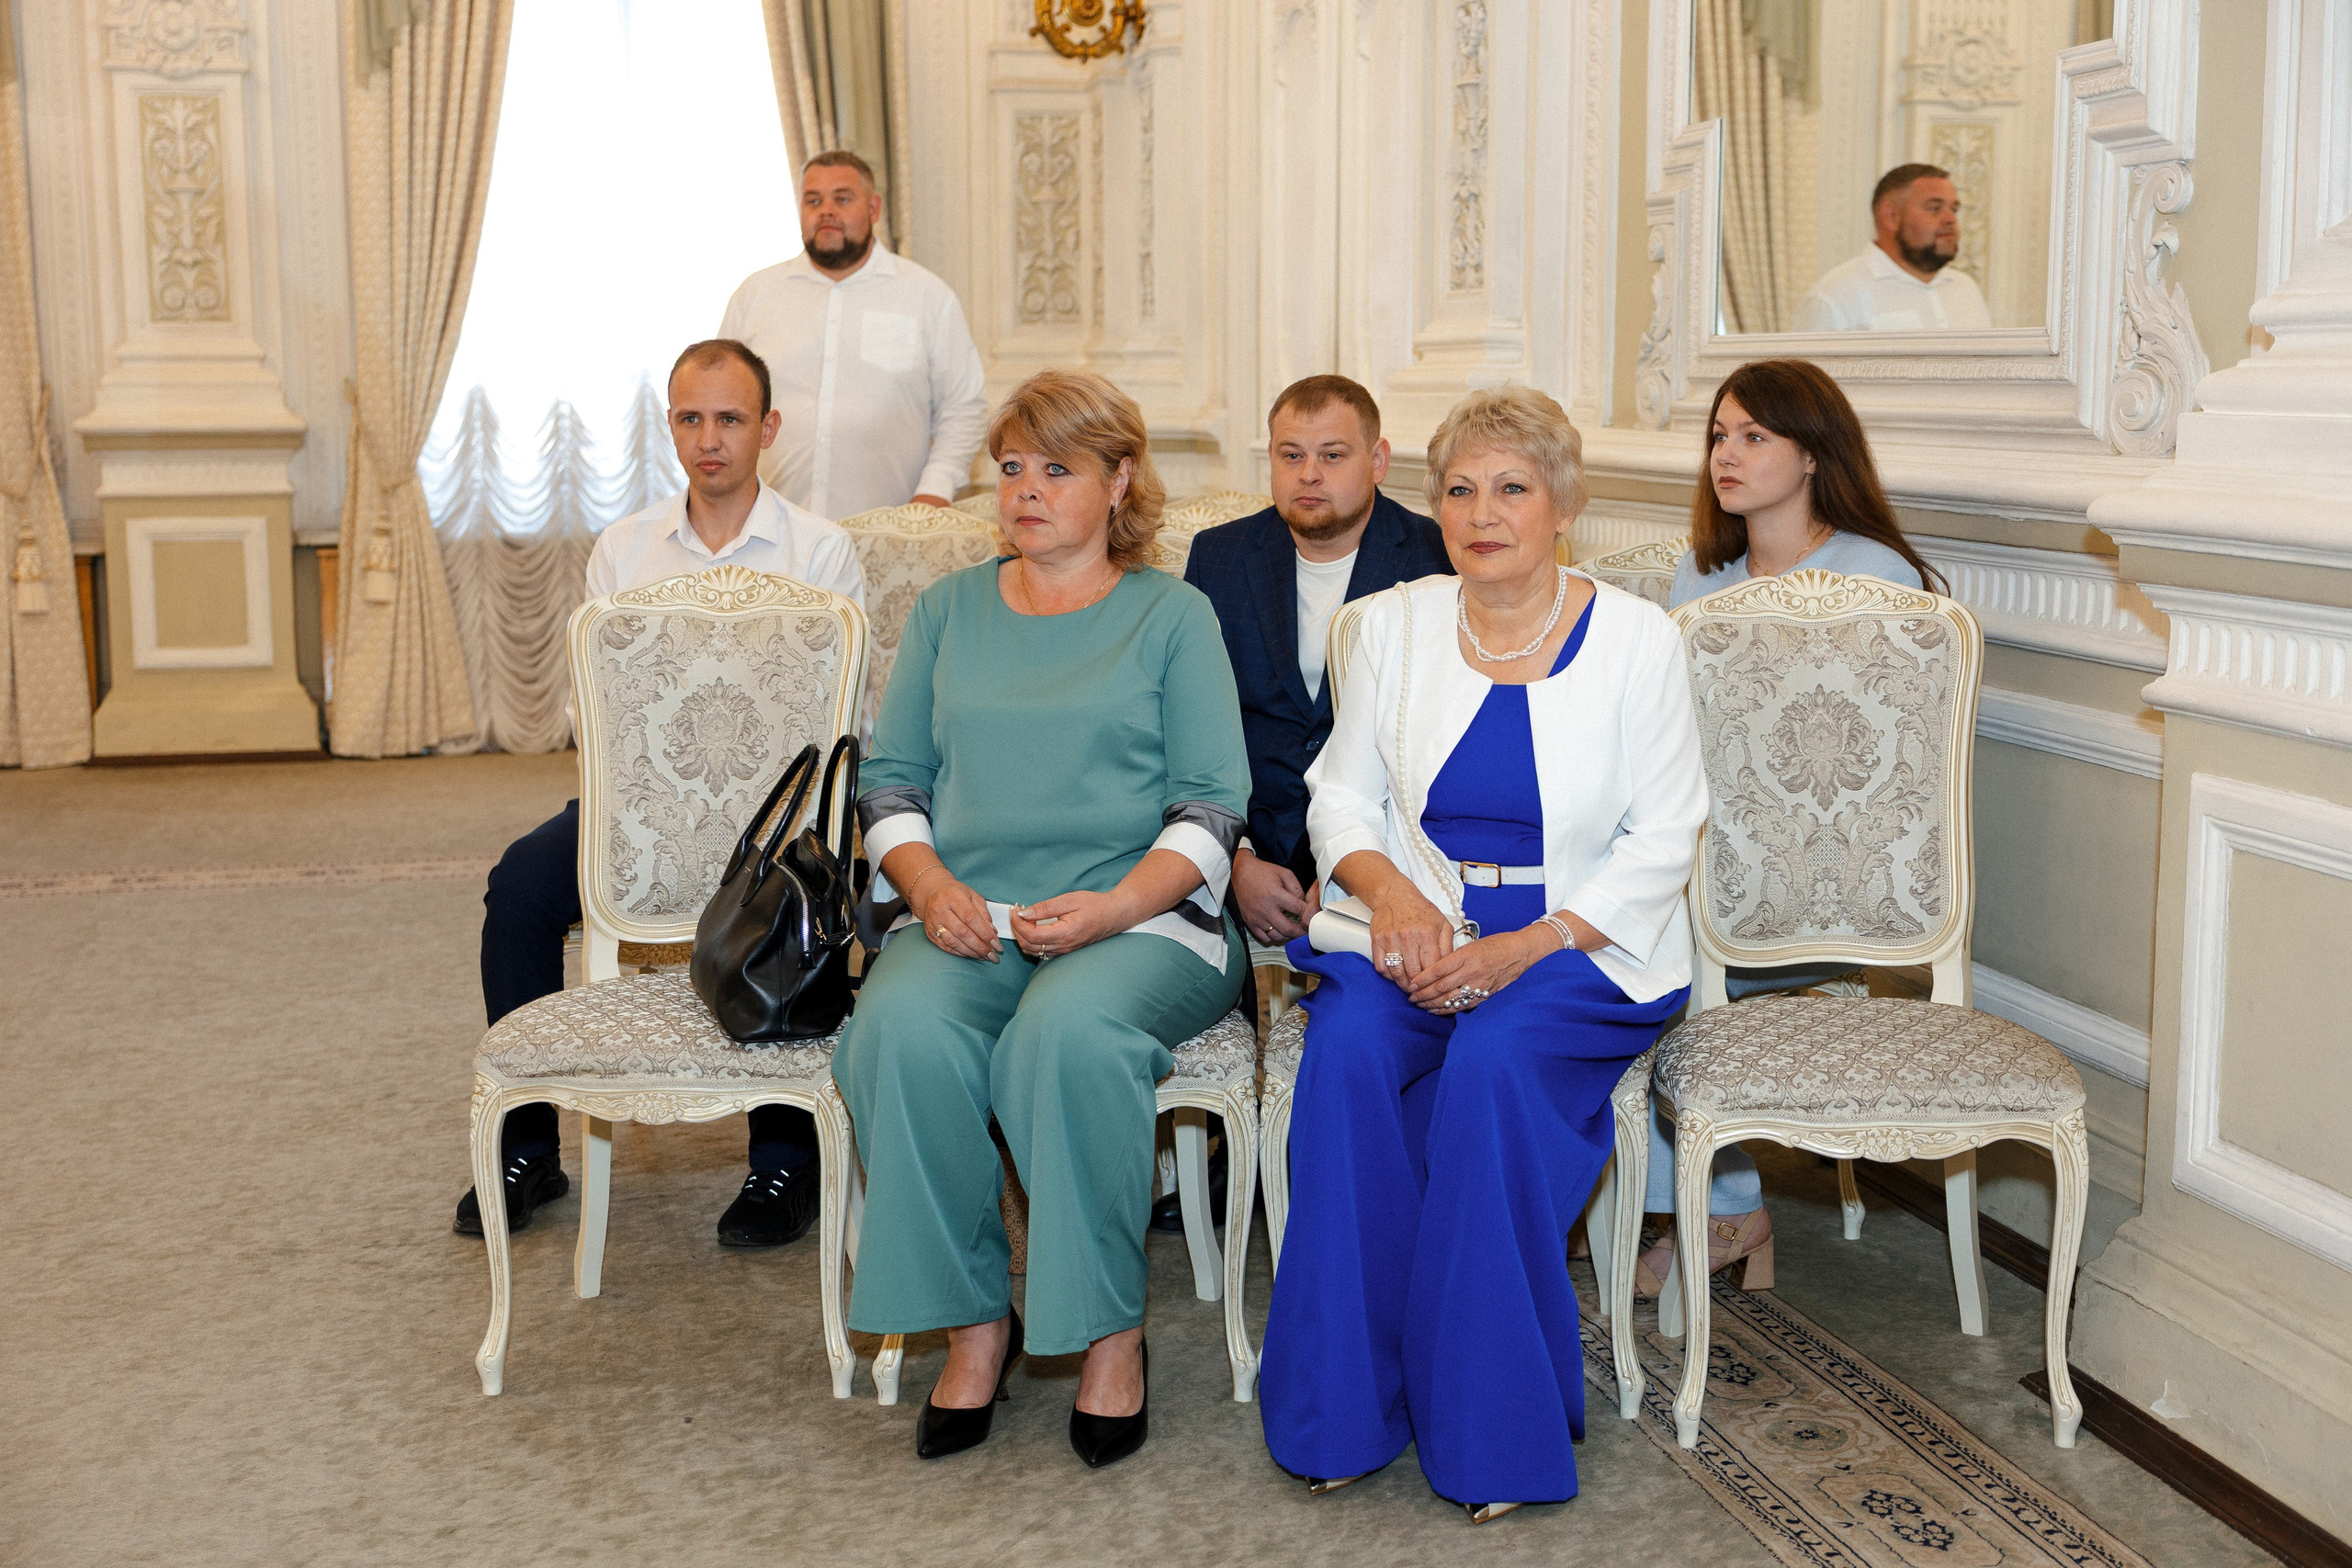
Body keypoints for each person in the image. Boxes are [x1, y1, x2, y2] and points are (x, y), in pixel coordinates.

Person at [1258, 386, 1707, 1520]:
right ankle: (1341, 1413)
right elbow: (1339, 800)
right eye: (1458, 488)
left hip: (1581, 943)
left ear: (1564, 504)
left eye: (1511, 486)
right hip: (1410, 931)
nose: (1482, 510)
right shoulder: (1398, 625)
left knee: (1495, 1067)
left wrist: (1527, 946)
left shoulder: (1638, 640)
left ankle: (1488, 1430)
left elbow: (1665, 836)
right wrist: (1398, 904)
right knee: (1351, 1046)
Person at [831, 370, 1251, 1469]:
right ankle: (977, 1325)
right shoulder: (947, 611)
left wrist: (1115, 903)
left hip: (1143, 920)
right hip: (970, 916)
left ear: (1119, 483)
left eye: (1055, 469)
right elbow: (891, 784)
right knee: (896, 1035)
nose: (1025, 490)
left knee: (1063, 1043)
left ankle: (1109, 1333)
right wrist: (926, 889)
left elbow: (1212, 805)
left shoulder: (1174, 616)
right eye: (1012, 468)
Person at [454, 339, 867, 1247]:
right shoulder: (624, 548)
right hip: (640, 809)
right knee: (518, 890)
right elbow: (592, 710)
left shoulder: (821, 551)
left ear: (769, 429)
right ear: (669, 425)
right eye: (689, 418)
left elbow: (834, 716)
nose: (708, 438)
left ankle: (785, 1167)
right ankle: (529, 1148)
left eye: (728, 419)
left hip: (778, 825)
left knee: (810, 903)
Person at [1646, 355, 1944, 1296]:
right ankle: (1663, 1195)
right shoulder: (1702, 571)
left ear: (1813, 454)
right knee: (1609, 945)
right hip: (1702, 867)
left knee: (1645, 967)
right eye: (1717, 437)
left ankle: (1724, 1208)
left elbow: (1892, 773)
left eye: (1753, 436)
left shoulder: (1875, 575)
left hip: (1820, 893)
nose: (1725, 455)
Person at [1168, 375, 1451, 1232]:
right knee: (1179, 912)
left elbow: (1434, 738)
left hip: (1383, 836)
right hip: (1248, 824)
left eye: (1333, 455)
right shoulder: (1221, 555)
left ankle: (1336, 1145)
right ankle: (1229, 1144)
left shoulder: (1435, 553)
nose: (1310, 475)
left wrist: (1360, 867)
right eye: (1291, 455)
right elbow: (1195, 724)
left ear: (1378, 459)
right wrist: (1239, 854)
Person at [718, 151, 988, 517]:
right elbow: (719, 404)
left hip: (889, 534)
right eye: (813, 200)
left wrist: (934, 494)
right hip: (769, 529)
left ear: (874, 208)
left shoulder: (926, 295)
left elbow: (963, 408)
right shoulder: (755, 295)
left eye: (842, 199)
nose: (826, 210)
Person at [1793, 164, 1992, 333]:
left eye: (1954, 209)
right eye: (1934, 208)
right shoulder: (1835, 298)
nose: (1950, 219)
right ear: (1891, 216)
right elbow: (1807, 378)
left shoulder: (1965, 288)